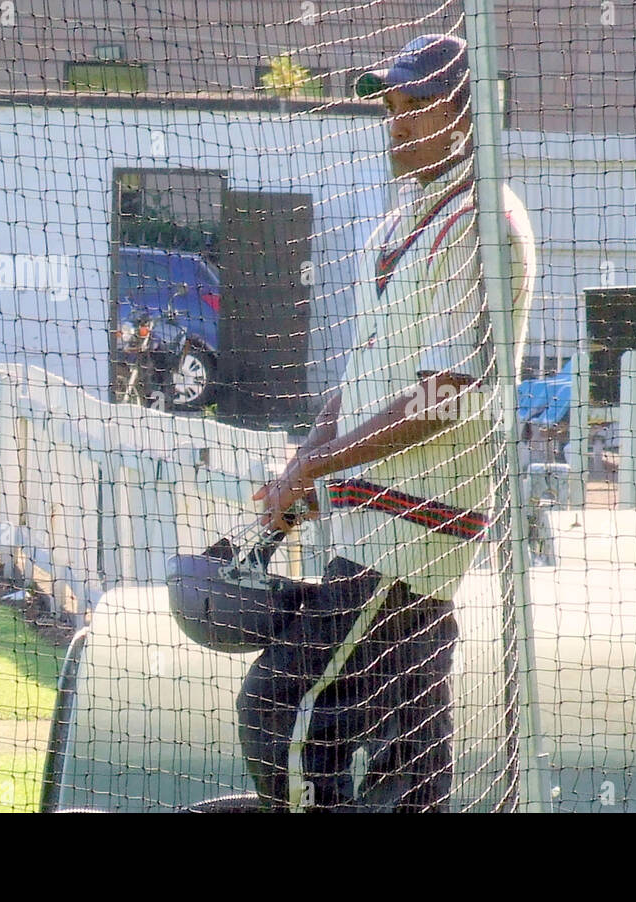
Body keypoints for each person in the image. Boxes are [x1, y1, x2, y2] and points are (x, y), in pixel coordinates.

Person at [239, 32, 536, 812]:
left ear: (470, 118)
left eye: (416, 105)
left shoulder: (481, 224)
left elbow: (442, 397)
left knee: (281, 714)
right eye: (391, 106)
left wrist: (319, 467)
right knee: (411, 775)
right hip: (377, 529)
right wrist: (305, 462)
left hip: (407, 536)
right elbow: (365, 377)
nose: (395, 123)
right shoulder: (409, 219)